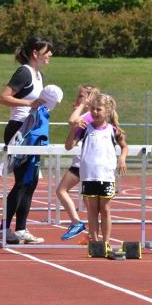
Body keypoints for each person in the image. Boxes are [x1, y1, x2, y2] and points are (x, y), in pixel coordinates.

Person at [0, 35, 54, 245]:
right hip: (19, 130)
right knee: (22, 182)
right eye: (47, 51)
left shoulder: (39, 76)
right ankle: (3, 230)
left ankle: (20, 228)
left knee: (31, 181)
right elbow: (3, 97)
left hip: (34, 130)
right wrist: (29, 104)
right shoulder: (24, 72)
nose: (50, 55)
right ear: (35, 53)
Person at [64, 93, 128, 248]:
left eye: (98, 109)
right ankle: (94, 241)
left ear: (107, 111)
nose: (94, 112)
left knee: (105, 209)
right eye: (92, 109)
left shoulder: (113, 130)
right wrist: (74, 129)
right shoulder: (85, 128)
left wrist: (122, 158)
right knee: (92, 210)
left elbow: (124, 146)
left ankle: (106, 242)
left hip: (106, 175)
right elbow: (68, 146)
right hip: (89, 175)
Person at [57, 85, 99, 241]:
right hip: (85, 161)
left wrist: (81, 106)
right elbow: (70, 144)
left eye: (81, 96)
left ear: (89, 98)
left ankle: (77, 222)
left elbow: (72, 120)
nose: (77, 98)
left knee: (62, 190)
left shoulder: (89, 115)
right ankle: (92, 235)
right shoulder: (89, 116)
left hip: (84, 163)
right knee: (88, 201)